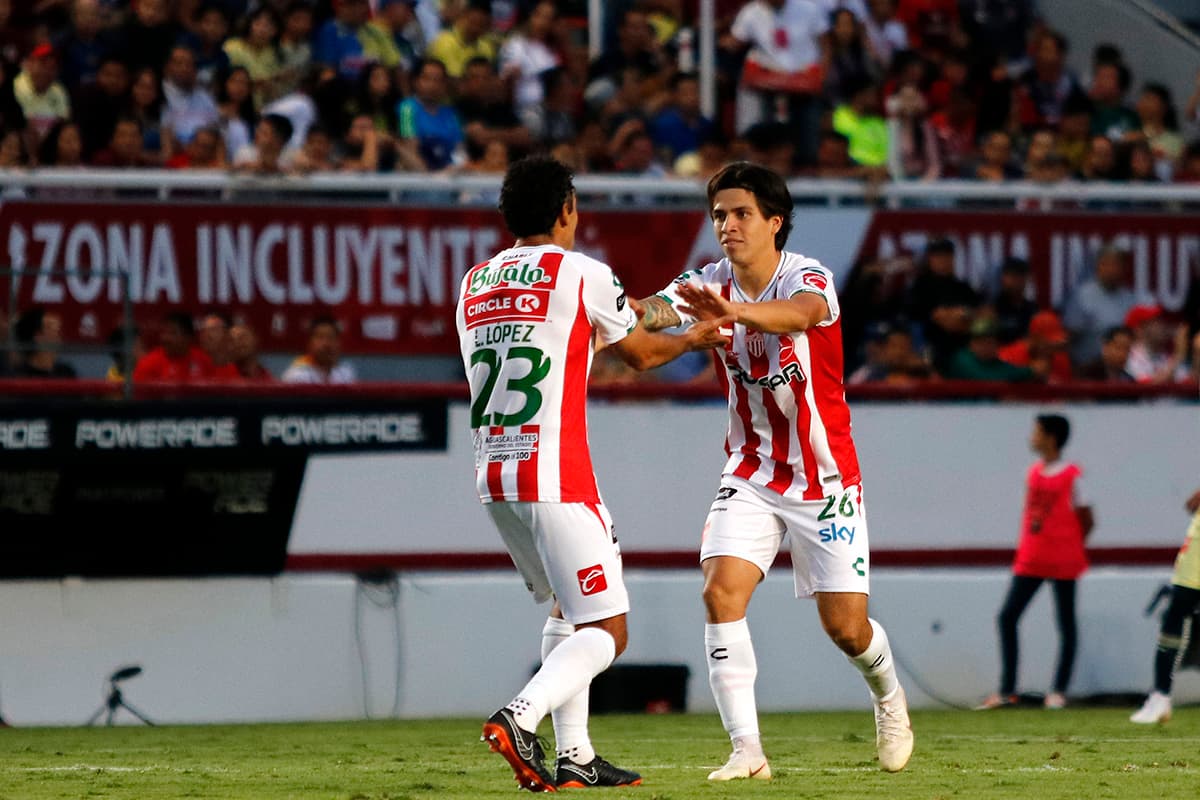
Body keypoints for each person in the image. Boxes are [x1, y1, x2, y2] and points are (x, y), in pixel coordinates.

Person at [635, 161, 914, 778]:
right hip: (753, 470)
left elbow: (802, 314)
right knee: (720, 590)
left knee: (846, 629)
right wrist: (610, 309)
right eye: (718, 215)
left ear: (773, 222)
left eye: (740, 214)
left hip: (826, 479)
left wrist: (732, 315)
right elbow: (654, 309)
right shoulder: (707, 280)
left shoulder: (807, 275)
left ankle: (889, 696)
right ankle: (747, 751)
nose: (726, 226)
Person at [462, 156, 730, 792]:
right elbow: (638, 353)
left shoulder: (475, 283)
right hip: (557, 474)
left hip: (495, 475)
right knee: (609, 631)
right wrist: (695, 337)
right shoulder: (581, 271)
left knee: (566, 609)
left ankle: (575, 755)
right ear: (566, 211)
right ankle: (518, 717)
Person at [978, 414, 1094, 710]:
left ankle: (1058, 691)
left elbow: (1086, 517)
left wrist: (1069, 543)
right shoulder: (1033, 473)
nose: (1032, 437)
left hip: (1061, 557)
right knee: (1008, 616)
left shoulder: (1073, 475)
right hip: (1032, 556)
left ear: (1051, 438)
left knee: (1065, 622)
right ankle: (1008, 690)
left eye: (1037, 432)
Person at [1130, 487, 1200, 724]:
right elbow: (1192, 504)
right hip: (1195, 549)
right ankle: (1160, 696)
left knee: (1177, 615)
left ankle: (1160, 695)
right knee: (1175, 616)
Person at [132, 311, 215, 381]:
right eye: (164, 332)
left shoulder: (203, 360)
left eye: (172, 333)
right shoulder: (148, 364)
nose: (166, 338)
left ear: (188, 337)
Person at [281, 315, 356, 383]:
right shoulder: (297, 376)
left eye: (331, 337)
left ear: (339, 343)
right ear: (310, 343)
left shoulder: (346, 374)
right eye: (320, 337)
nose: (326, 344)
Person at [11, 307, 76, 378]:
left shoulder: (66, 373)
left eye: (59, 327)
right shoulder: (20, 376)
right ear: (37, 336)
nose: (59, 332)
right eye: (52, 327)